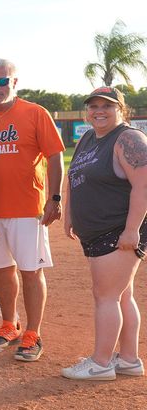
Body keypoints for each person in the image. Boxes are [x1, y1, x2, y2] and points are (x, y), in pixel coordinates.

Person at [0, 59, 65, 362]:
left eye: (2, 81)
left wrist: (55, 197)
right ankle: (9, 323)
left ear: (14, 82)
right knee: (3, 269)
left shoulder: (35, 113)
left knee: (31, 271)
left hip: (27, 208)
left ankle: (33, 332)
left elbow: (55, 157)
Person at [61, 87, 146, 380]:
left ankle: (100, 363)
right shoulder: (88, 137)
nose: (99, 111)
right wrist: (70, 214)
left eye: (106, 106)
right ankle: (129, 360)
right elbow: (74, 177)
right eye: (94, 106)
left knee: (106, 296)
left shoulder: (128, 138)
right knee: (122, 296)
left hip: (117, 230)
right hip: (98, 230)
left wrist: (132, 230)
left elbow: (144, 186)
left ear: (120, 110)